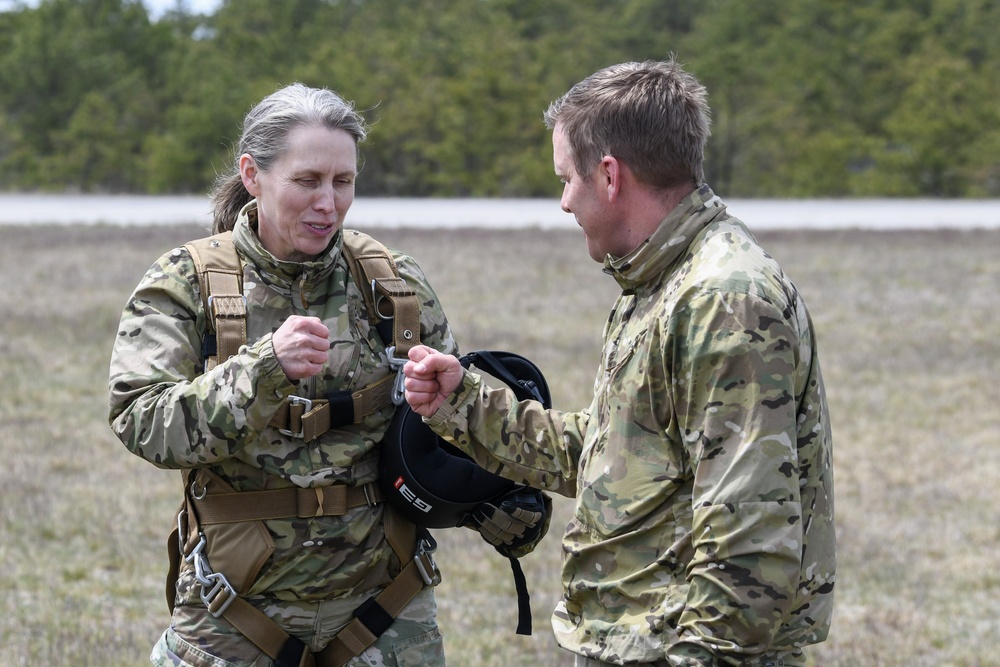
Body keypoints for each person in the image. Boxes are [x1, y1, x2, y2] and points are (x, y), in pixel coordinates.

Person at [403, 58, 836, 667]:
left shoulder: (721, 299)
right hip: (637, 641)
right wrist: (463, 404)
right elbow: (618, 461)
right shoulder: (660, 283)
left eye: (566, 179)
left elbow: (749, 533)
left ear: (609, 175)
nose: (562, 202)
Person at [108, 83, 545, 667]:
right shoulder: (185, 284)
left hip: (385, 613)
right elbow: (142, 422)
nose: (328, 203)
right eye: (307, 180)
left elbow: (454, 428)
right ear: (252, 174)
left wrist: (500, 492)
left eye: (344, 182)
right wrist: (263, 371)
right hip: (233, 614)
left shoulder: (393, 285)